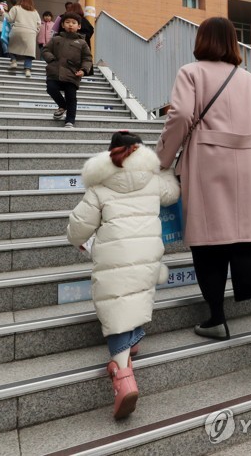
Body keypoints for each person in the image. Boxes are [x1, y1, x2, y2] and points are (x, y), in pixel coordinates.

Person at [156, 16, 251, 353]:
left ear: (202, 40)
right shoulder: (248, 78)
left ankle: (217, 319)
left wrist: (163, 159)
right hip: (249, 162)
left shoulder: (191, 72)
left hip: (208, 161)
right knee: (247, 242)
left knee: (208, 243)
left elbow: (181, 115)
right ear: (232, 44)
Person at [66, 130, 180, 419]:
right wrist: (165, 170)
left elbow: (79, 227)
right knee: (135, 295)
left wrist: (75, 238)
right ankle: (133, 340)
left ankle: (123, 374)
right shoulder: (152, 180)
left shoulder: (100, 185)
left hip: (114, 256)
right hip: (147, 255)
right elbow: (173, 193)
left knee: (117, 302)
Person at [41, 11, 92, 128]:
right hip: (55, 71)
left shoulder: (82, 43)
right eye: (67, 22)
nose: (70, 25)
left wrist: (84, 70)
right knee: (51, 88)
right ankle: (63, 105)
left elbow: (87, 58)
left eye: (74, 23)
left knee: (71, 97)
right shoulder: (56, 39)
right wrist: (51, 59)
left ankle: (70, 120)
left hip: (72, 74)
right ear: (63, 25)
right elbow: (45, 50)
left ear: (79, 26)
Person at [6, 0, 41, 78]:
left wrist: (4, 12)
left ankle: (14, 61)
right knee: (29, 53)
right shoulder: (35, 12)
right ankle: (27, 70)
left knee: (11, 47)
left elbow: (9, 19)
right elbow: (39, 24)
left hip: (17, 29)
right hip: (31, 32)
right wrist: (35, 32)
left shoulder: (16, 8)